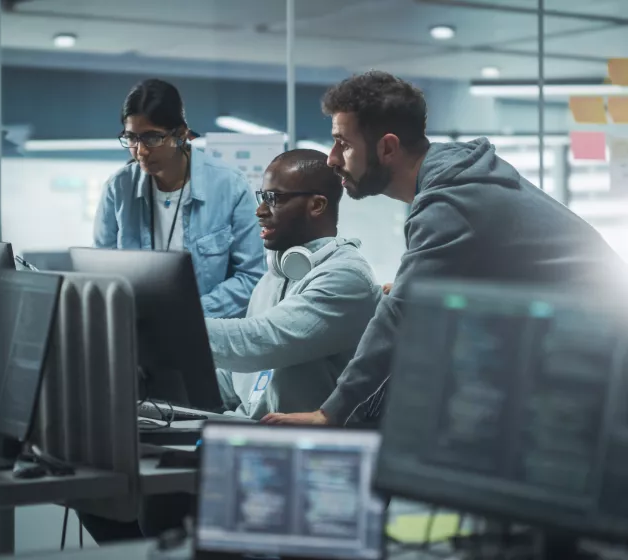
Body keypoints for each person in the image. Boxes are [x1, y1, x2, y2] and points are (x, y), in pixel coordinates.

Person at [263, 70, 627, 427]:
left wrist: (331, 412)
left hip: (594, 372)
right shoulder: (455, 176)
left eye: (343, 143)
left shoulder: (449, 202)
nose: (332, 158)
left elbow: (399, 319)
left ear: (387, 147)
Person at [207, 149, 381, 419]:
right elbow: (236, 381)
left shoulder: (347, 277)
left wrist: (178, 331)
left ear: (317, 205)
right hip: (247, 431)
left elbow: (262, 342)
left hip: (307, 448)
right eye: (262, 197)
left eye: (274, 199)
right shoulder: (273, 278)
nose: (260, 211)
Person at [93, 78, 264, 318]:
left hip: (206, 334)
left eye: (152, 138)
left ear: (181, 134)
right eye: (131, 138)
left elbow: (251, 276)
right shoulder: (118, 188)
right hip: (138, 332)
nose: (140, 151)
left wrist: (188, 314)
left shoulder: (230, 186)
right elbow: (101, 272)